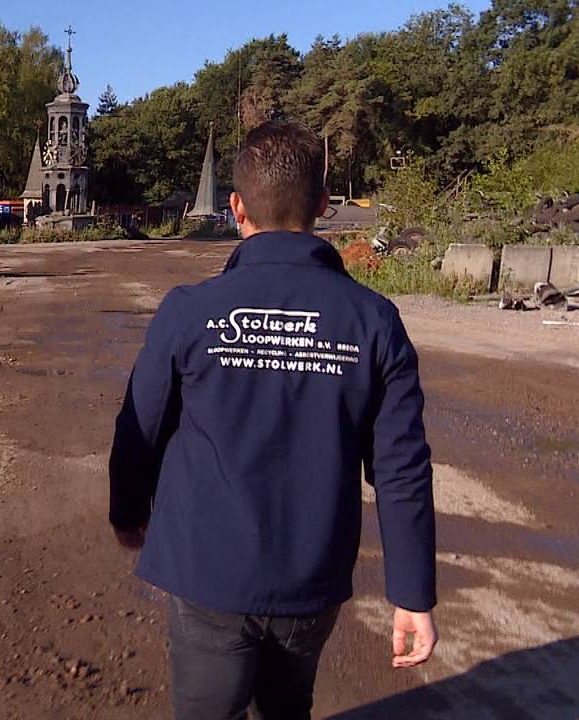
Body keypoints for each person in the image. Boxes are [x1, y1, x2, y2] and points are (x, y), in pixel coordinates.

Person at [109, 119, 437, 720]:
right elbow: (402, 468)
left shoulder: (190, 312)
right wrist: (412, 593)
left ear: (236, 207)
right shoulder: (373, 320)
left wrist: (127, 515)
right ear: (322, 206)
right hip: (309, 577)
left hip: (206, 571)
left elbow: (140, 428)